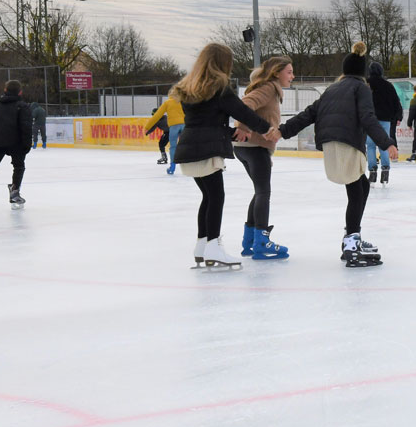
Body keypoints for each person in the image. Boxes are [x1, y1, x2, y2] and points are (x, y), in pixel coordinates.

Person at [278, 41, 398, 267]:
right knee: (356, 190)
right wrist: (387, 143)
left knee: (361, 187)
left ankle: (352, 238)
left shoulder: (332, 89)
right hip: (347, 143)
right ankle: (351, 245)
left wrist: (284, 131)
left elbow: (308, 114)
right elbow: (367, 117)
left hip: (331, 144)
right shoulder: (361, 88)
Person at [170, 43, 278, 268]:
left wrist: (232, 133)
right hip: (207, 150)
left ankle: (202, 246)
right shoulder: (219, 88)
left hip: (189, 148)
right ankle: (212, 247)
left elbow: (202, 122)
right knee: (216, 197)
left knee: (208, 197)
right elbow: (243, 112)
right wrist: (266, 128)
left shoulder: (190, 88)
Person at [232, 55, 294, 260]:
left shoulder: (272, 89)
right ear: (277, 72)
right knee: (263, 192)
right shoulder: (269, 87)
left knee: (259, 191)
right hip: (253, 146)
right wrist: (243, 127)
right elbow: (245, 104)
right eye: (289, 72)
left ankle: (249, 241)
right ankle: (261, 241)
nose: (292, 76)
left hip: (250, 147)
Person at [0, 80, 33, 207]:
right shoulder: (22, 106)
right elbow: (26, 127)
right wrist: (27, 145)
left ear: (5, 90)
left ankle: (14, 191)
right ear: (20, 92)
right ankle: (14, 191)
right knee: (19, 167)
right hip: (17, 143)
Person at [365, 61, 403, 185]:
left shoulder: (366, 85)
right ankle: (385, 170)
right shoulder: (388, 85)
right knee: (384, 145)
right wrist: (397, 116)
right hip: (385, 120)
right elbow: (395, 102)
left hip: (370, 120)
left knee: (370, 146)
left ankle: (372, 171)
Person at [145, 95, 186, 174]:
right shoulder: (182, 102)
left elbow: (156, 117)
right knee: (185, 145)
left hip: (172, 128)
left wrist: (147, 128)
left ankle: (172, 166)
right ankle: (188, 163)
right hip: (183, 125)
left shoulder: (167, 103)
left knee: (172, 146)